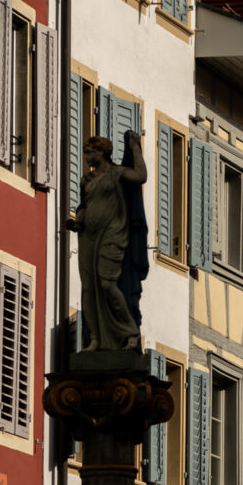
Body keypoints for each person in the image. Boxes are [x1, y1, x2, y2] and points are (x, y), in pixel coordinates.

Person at [70, 131, 146, 351]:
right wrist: (79, 218)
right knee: (89, 289)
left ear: (102, 152)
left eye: (89, 152)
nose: (86, 157)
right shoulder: (87, 180)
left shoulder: (117, 173)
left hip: (113, 232)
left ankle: (130, 332)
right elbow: (84, 207)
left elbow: (141, 176)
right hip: (88, 237)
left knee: (107, 283)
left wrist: (135, 148)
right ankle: (95, 338)